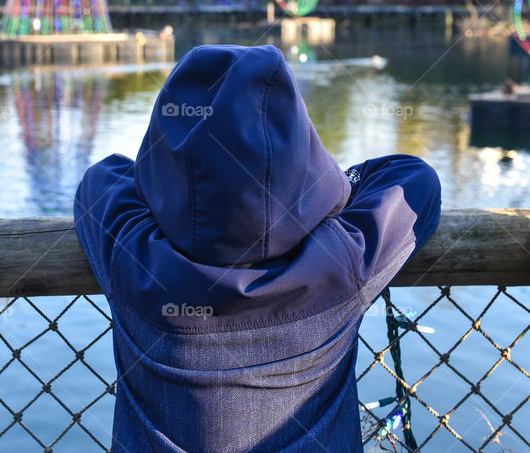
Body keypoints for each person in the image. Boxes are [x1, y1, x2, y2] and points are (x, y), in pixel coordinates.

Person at [74, 44, 441, 452]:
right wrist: (326, 191)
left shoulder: (134, 260)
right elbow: (411, 177)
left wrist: (167, 193)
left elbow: (104, 178)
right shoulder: (341, 262)